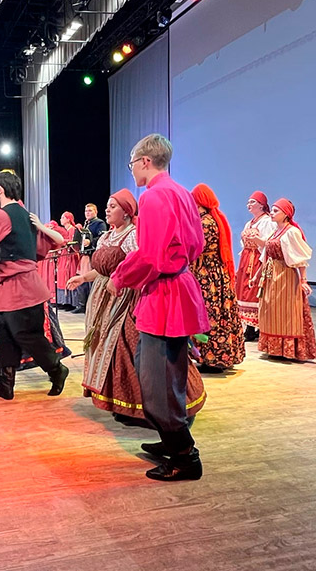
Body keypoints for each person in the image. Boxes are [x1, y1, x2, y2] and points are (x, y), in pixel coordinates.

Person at [110, 134, 208, 481]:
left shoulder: (153, 196)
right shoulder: (181, 192)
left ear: (145, 161)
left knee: (156, 380)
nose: (132, 170)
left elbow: (150, 256)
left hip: (164, 295)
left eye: (132, 163)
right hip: (178, 288)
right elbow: (196, 243)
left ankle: (184, 455)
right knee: (169, 374)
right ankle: (171, 439)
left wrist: (120, 277)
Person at [67, 189, 206, 424]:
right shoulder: (106, 237)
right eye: (107, 206)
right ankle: (122, 403)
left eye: (113, 206)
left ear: (126, 212)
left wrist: (125, 284)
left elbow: (142, 265)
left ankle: (150, 408)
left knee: (129, 349)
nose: (107, 210)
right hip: (103, 299)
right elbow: (102, 269)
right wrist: (83, 278)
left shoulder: (133, 236)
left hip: (126, 299)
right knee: (109, 351)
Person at [0, 170, 70, 399]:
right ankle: (5, 384)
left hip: (22, 286)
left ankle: (57, 369)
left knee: (26, 334)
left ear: (0, 189)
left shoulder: (1, 215)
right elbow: (40, 249)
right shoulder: (24, 214)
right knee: (5, 334)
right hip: (13, 286)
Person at [190, 184, 246, 372]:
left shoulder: (205, 223)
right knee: (216, 313)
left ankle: (213, 359)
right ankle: (214, 357)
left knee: (209, 313)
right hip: (215, 274)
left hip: (207, 276)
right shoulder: (214, 218)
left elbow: (196, 248)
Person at [254, 198, 316, 362]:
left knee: (286, 312)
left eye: (276, 211)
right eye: (272, 210)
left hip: (285, 276)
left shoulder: (291, 232)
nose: (272, 213)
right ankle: (273, 348)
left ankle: (287, 349)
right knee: (270, 311)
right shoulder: (274, 231)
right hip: (270, 275)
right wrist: (257, 275)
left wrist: (303, 280)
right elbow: (266, 255)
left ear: (286, 214)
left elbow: (300, 258)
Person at [235, 191, 276, 341]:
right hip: (246, 259)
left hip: (257, 259)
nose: (249, 204)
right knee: (244, 291)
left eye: (252, 202)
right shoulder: (249, 223)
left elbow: (268, 243)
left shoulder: (267, 222)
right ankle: (249, 327)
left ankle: (256, 328)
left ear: (261, 205)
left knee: (254, 291)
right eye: (248, 202)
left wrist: (257, 240)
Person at [74, 203, 107, 314]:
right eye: (86, 211)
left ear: (96, 212)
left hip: (93, 255)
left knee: (91, 281)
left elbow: (103, 237)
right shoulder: (86, 224)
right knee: (82, 279)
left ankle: (93, 305)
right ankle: (83, 305)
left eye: (90, 211)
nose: (87, 213)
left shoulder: (100, 223)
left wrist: (90, 241)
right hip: (85, 255)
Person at [55, 212, 81, 310]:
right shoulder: (64, 230)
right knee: (62, 277)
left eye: (63, 217)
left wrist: (63, 241)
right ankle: (64, 301)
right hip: (63, 256)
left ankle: (72, 302)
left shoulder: (72, 230)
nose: (61, 219)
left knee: (69, 276)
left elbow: (74, 243)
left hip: (70, 257)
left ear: (68, 219)